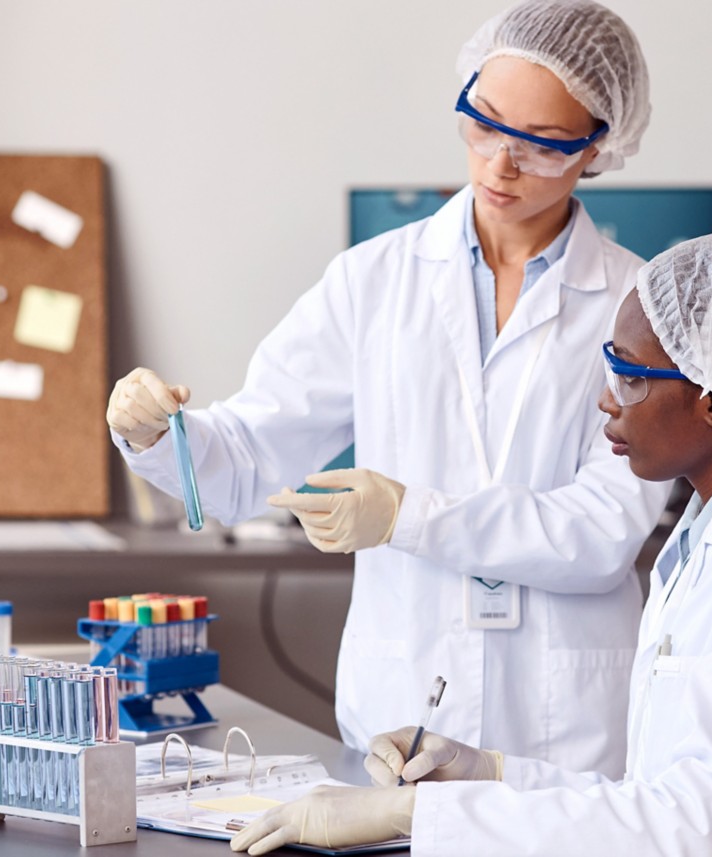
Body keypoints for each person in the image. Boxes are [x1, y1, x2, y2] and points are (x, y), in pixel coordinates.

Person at [228, 229, 712, 857]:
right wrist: (483, 772)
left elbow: (696, 826)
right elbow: (656, 800)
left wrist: (414, 817)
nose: (604, 398)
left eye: (628, 373)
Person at [104, 0, 668, 777]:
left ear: (595, 149)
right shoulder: (374, 283)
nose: (500, 164)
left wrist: (410, 513)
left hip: (561, 731)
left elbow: (603, 532)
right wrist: (155, 432)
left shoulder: (636, 306)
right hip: (402, 714)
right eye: (484, 123)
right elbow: (245, 456)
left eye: (538, 146)